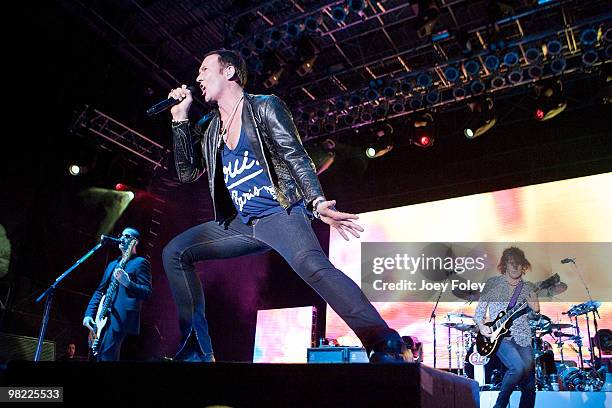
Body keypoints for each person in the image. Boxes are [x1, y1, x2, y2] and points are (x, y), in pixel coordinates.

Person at [163, 49, 408, 363]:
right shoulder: (211, 128)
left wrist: (317, 201)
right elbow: (186, 172)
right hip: (242, 222)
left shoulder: (265, 106)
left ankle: (383, 339)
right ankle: (197, 349)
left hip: (279, 211)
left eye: (204, 68)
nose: (198, 77)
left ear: (229, 72)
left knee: (313, 267)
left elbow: (296, 157)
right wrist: (180, 120)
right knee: (176, 251)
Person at [474, 247, 540, 408]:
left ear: (524, 266)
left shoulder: (528, 288)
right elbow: (479, 312)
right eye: (512, 263)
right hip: (500, 338)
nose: (516, 267)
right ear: (505, 265)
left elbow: (533, 318)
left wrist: (536, 310)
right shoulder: (493, 284)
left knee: (530, 384)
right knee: (517, 368)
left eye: (519, 264)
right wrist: (482, 327)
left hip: (523, 338)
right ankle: (499, 405)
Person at [83, 228, 152, 361]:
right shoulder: (112, 264)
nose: (122, 238)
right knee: (95, 357)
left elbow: (147, 292)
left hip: (120, 319)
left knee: (106, 356)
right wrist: (88, 314)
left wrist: (128, 283)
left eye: (127, 236)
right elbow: (99, 291)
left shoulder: (140, 263)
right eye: (121, 235)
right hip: (102, 317)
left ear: (135, 242)